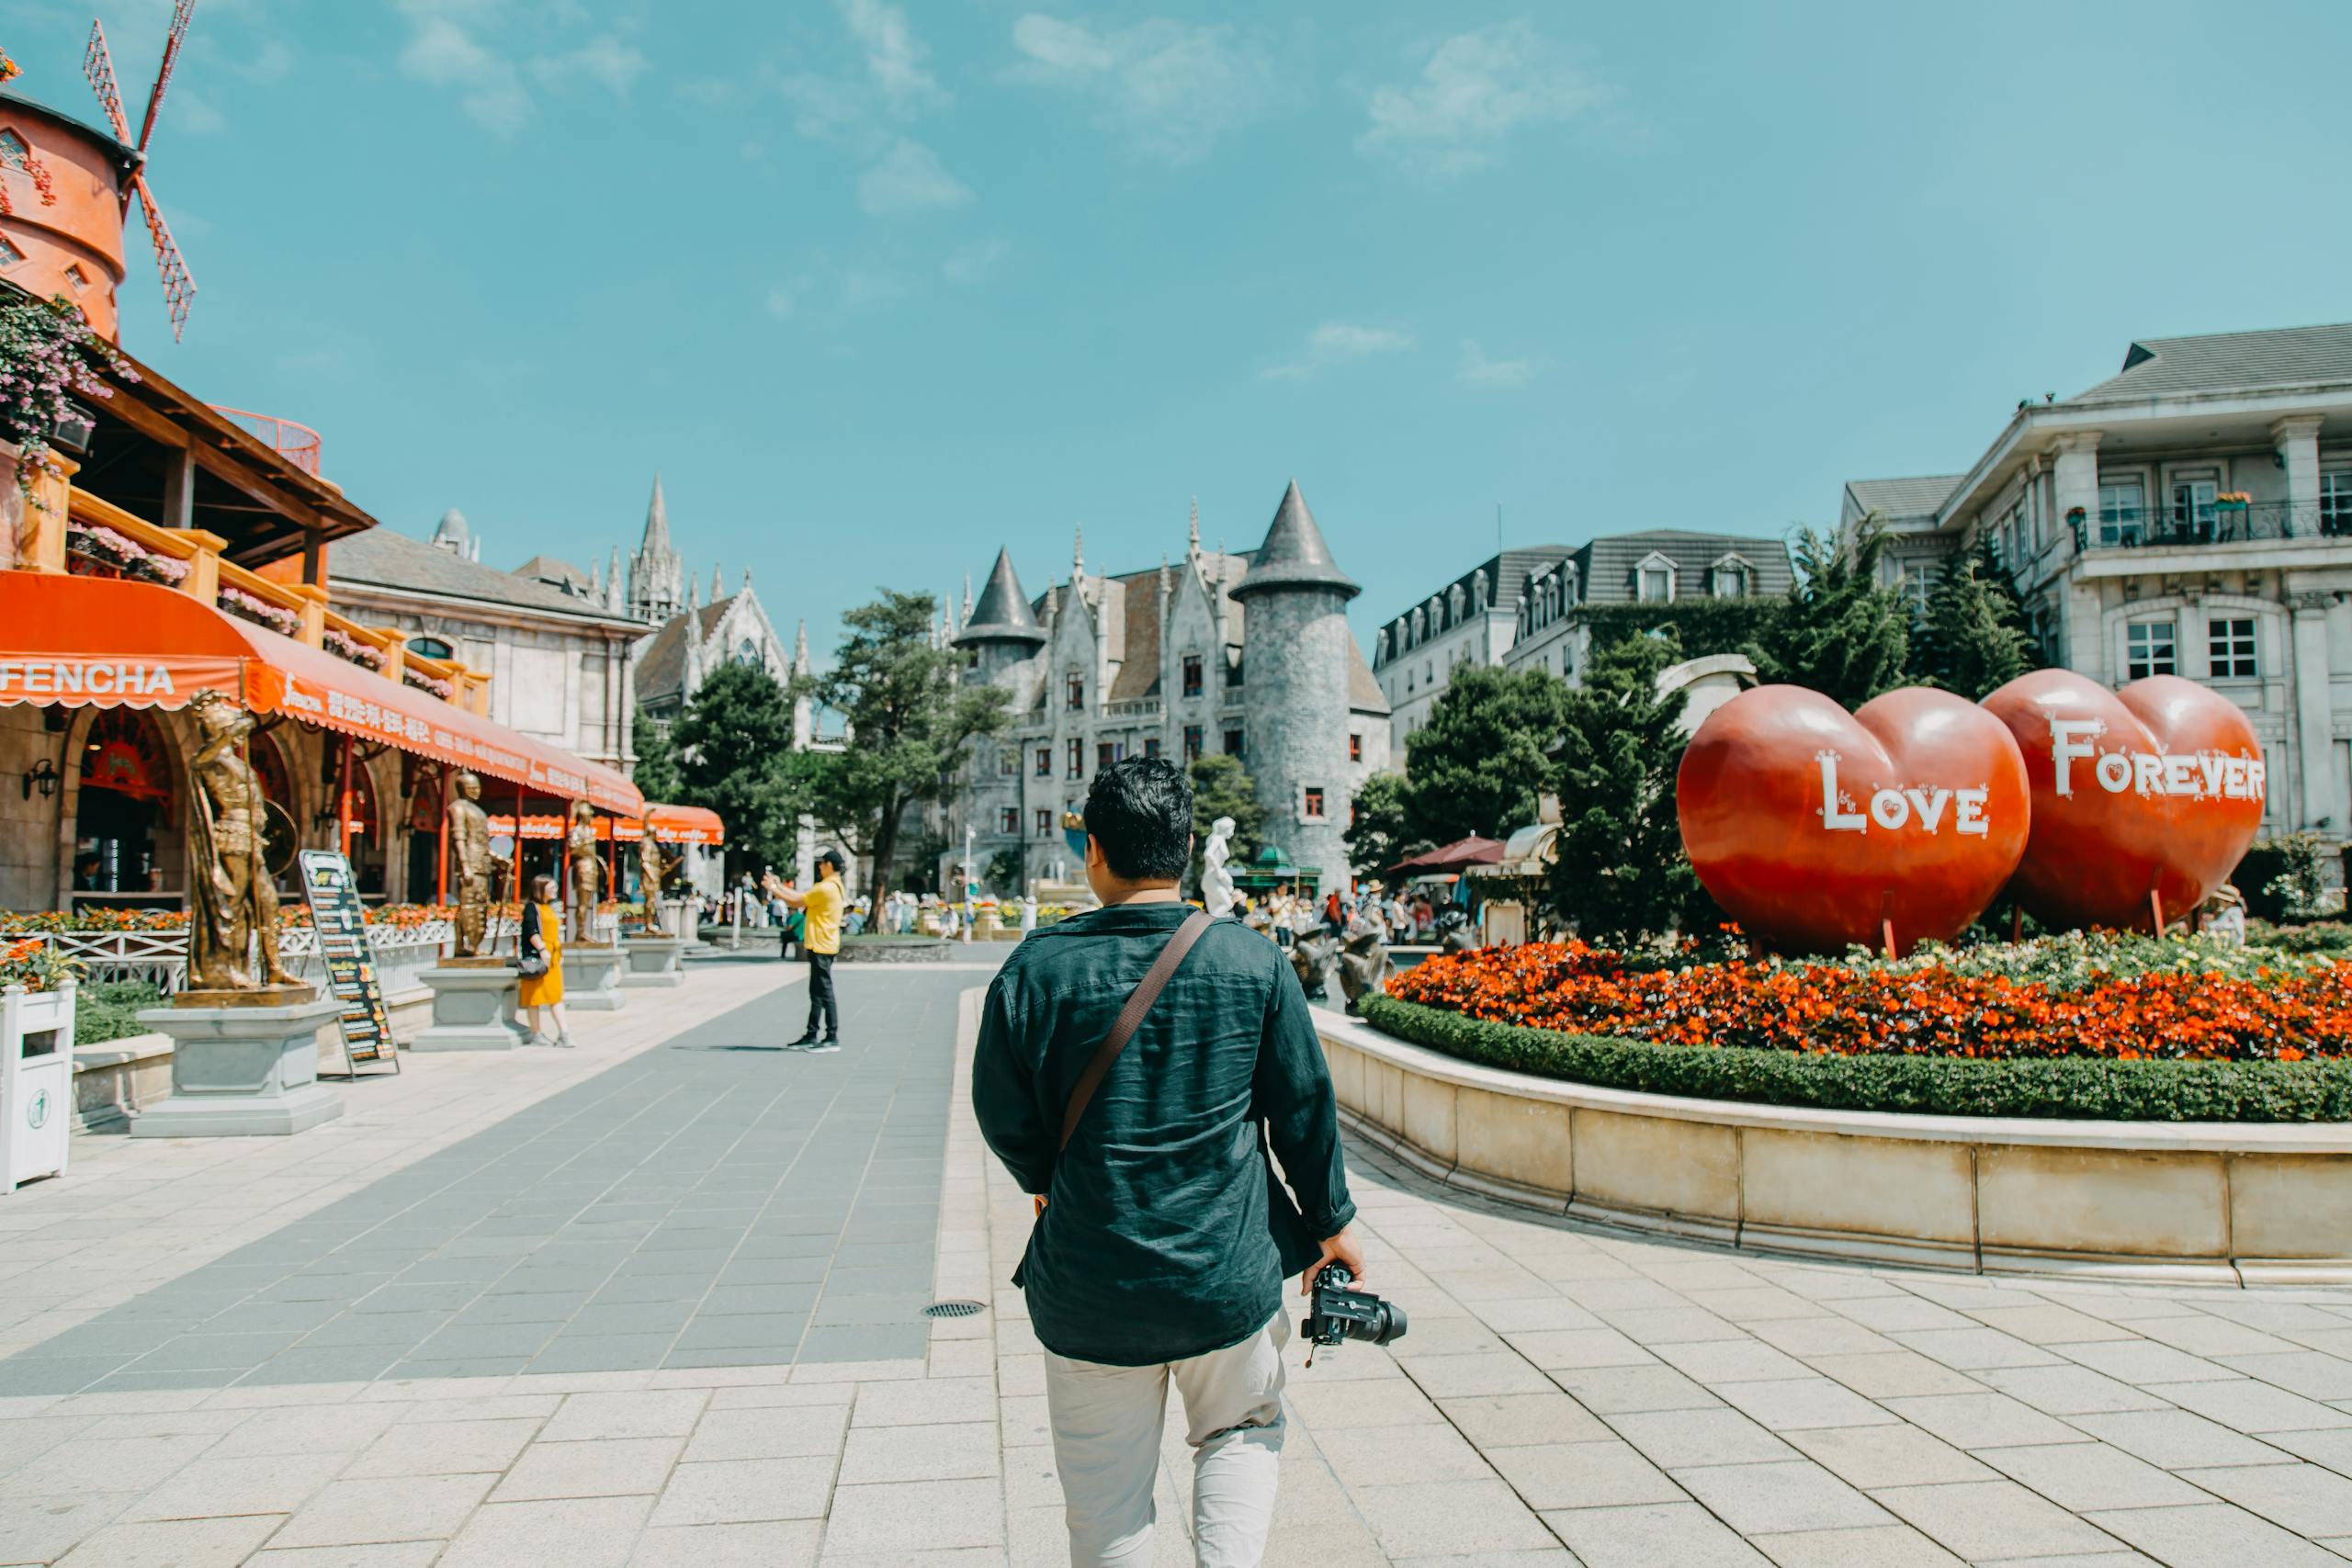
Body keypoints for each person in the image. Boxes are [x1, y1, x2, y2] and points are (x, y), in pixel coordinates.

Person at [972, 757, 1361, 1568]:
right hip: (1224, 1271)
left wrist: (1043, 1179)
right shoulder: (1252, 962)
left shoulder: (1033, 969)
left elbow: (1000, 1110)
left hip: (1089, 1281)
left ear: (1093, 853)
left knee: (1107, 1507)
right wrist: (1332, 1224)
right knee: (1241, 1430)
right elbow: (1304, 1109)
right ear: (1186, 846)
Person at [766, 849, 846, 1051]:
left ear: (829, 865)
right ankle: (812, 1034)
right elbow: (801, 896)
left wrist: (774, 889)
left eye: (822, 863)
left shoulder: (827, 887)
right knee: (817, 992)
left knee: (824, 991)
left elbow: (797, 901)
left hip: (822, 944)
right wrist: (778, 886)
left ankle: (831, 1036)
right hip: (822, 943)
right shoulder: (833, 886)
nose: (819, 867)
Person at [518, 873, 573, 1048]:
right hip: (539, 958)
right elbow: (530, 929)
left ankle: (564, 1033)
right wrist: (542, 948)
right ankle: (537, 1033)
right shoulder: (532, 908)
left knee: (555, 996)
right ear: (539, 889)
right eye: (551, 888)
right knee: (534, 998)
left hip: (553, 958)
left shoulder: (550, 908)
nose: (554, 891)